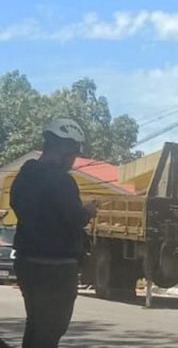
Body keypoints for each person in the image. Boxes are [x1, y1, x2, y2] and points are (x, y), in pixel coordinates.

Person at [11, 118, 99, 348]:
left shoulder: (24, 176)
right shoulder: (61, 181)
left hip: (27, 263)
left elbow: (20, 207)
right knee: (52, 328)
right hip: (57, 268)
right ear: (64, 149)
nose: (72, 161)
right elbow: (75, 217)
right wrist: (88, 211)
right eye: (73, 154)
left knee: (37, 325)